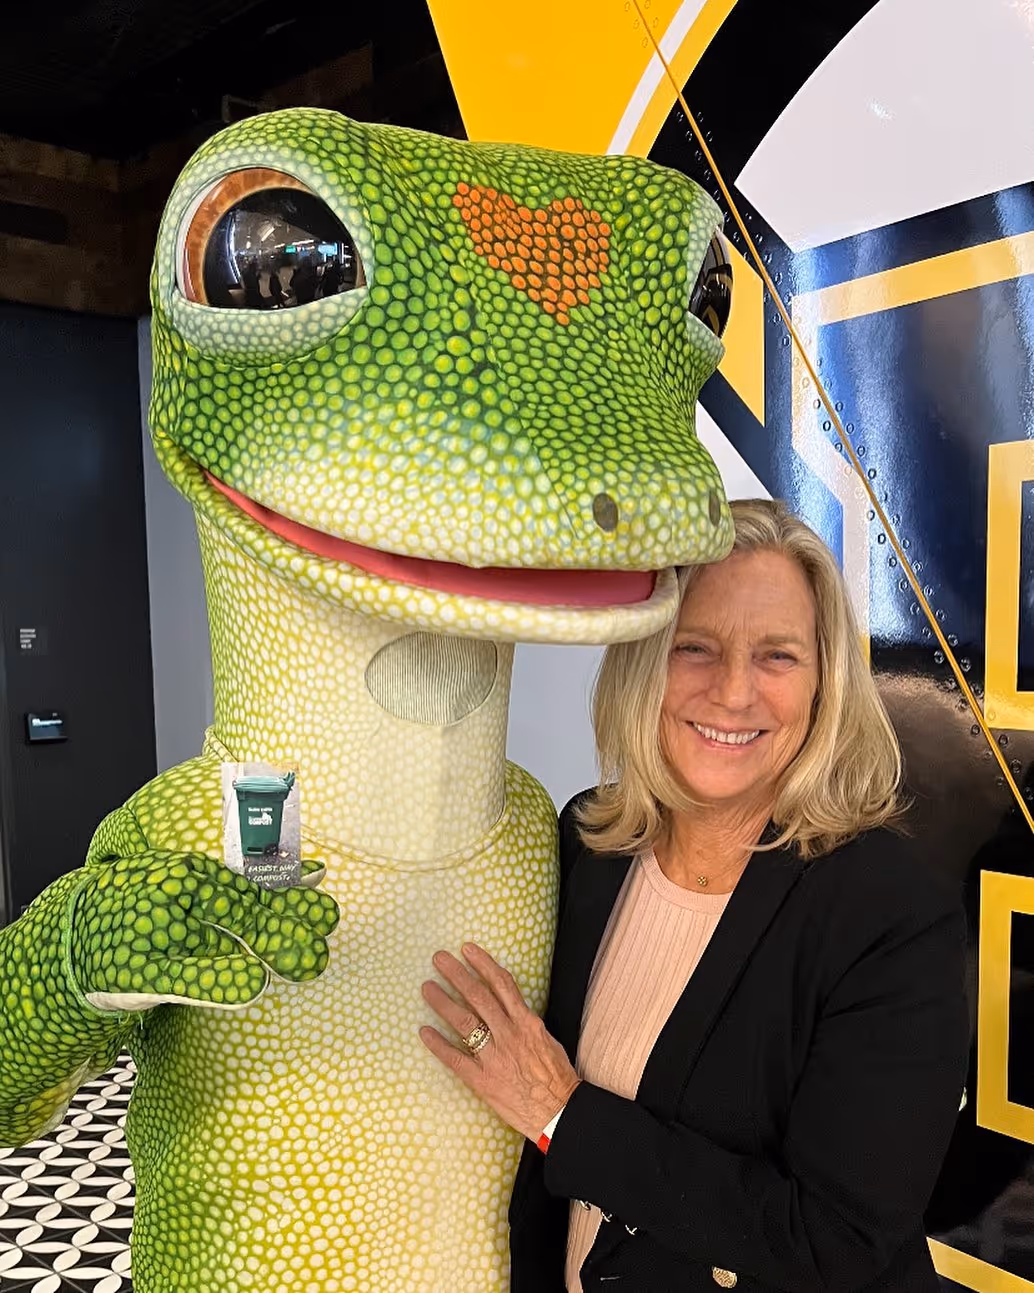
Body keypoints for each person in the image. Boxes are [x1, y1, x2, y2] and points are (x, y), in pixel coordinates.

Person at [420, 497, 969, 1293]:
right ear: (644, 663)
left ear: (824, 685)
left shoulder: (889, 913)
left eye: (777, 655)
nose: (734, 691)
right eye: (696, 646)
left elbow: (833, 1240)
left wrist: (561, 1113)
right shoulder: (586, 841)